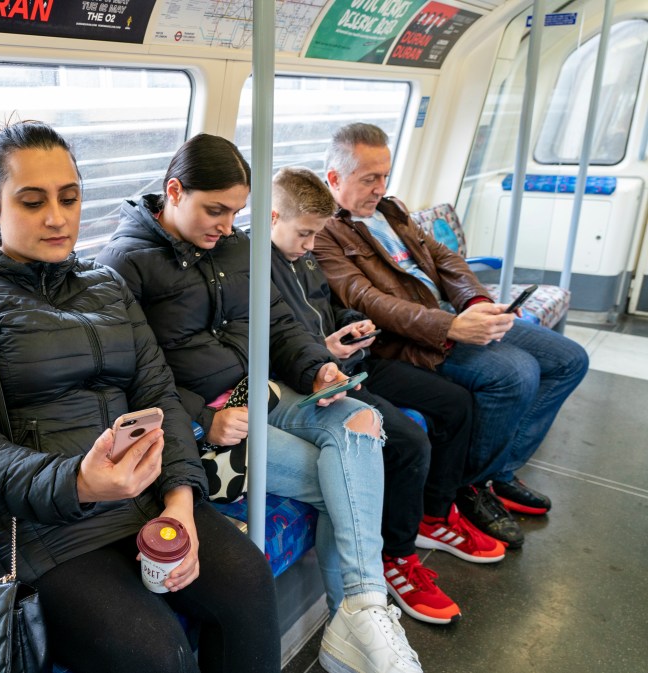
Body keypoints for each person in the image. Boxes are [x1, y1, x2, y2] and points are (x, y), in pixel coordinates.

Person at [0, 120, 280, 673]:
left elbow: (156, 394)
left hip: (141, 496)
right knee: (154, 653)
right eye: (32, 202)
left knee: (250, 586)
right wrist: (77, 482)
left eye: (69, 197)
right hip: (36, 521)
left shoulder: (105, 285)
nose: (57, 218)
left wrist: (181, 497)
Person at [96, 133, 423, 673]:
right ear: (173, 192)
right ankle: (360, 634)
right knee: (344, 482)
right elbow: (126, 375)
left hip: (268, 391)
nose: (226, 225)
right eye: (215, 210)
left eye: (236, 213)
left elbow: (279, 325)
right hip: (210, 421)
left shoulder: (236, 249)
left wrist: (316, 366)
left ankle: (361, 613)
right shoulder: (124, 266)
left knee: (361, 422)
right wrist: (203, 418)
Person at [314, 122, 590, 548]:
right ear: (334, 179)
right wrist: (451, 326)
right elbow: (367, 300)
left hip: (455, 317)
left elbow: (444, 259)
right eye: (370, 179)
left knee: (570, 360)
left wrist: (475, 303)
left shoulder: (391, 210)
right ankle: (470, 488)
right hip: (414, 339)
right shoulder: (325, 233)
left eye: (385, 176)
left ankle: (494, 473)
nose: (380, 187)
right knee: (515, 374)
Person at [268, 166, 505, 625]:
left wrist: (353, 322)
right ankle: (396, 556)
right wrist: (324, 352)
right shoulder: (257, 267)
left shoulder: (305, 254)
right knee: (408, 443)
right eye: (304, 235)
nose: (311, 245)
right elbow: (278, 344)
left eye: (316, 236)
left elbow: (329, 305)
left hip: (356, 361)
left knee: (456, 403)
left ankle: (434, 515)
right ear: (272, 216)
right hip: (315, 377)